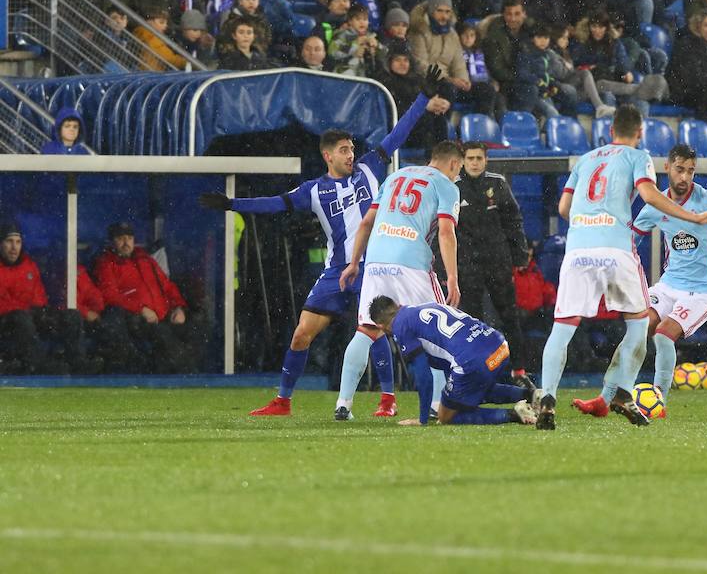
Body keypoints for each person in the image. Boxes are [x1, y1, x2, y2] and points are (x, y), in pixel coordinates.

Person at [199, 66, 445, 418]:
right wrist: (231, 204)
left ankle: (387, 400)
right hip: (337, 270)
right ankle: (282, 401)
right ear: (328, 155)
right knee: (302, 333)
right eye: (344, 150)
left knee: (374, 330)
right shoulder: (313, 190)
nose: (350, 154)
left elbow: (400, 132)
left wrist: (422, 98)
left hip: (374, 266)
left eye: (351, 148)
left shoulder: (371, 167)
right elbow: (275, 204)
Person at [536, 105, 707, 430]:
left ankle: (548, 401)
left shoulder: (585, 159)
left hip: (578, 249)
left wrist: (588, 223)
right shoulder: (639, 156)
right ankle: (623, 394)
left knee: (562, 328)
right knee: (638, 323)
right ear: (639, 133)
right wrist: (692, 217)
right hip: (617, 250)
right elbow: (649, 194)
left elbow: (564, 207)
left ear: (610, 131)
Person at [573, 144, 707, 418]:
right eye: (680, 169)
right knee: (637, 329)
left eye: (690, 171)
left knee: (664, 335)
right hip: (669, 285)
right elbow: (632, 239)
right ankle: (604, 401)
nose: (685, 177)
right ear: (667, 168)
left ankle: (658, 403)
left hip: (703, 291)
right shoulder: (656, 205)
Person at [336, 140, 463, 421]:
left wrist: (354, 262)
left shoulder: (395, 176)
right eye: (459, 169)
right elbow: (445, 232)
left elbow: (366, 223)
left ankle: (343, 404)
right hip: (412, 263)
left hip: (377, 260)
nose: (457, 174)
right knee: (437, 332)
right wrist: (452, 277)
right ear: (454, 163)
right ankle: (435, 407)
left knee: (366, 330)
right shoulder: (447, 185)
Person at [369, 296, 540, 426]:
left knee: (446, 416)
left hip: (473, 359)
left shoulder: (400, 327)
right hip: (499, 346)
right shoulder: (422, 306)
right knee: (473, 390)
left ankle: (514, 414)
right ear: (398, 305)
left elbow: (424, 377)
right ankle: (531, 395)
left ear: (381, 326)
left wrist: (422, 419)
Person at [453, 142, 531, 380]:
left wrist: (519, 255)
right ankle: (475, 370)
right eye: (470, 158)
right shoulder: (453, 187)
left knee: (509, 316)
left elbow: (513, 221)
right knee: (472, 320)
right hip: (467, 265)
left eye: (479, 158)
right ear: (463, 161)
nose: (475, 162)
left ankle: (519, 370)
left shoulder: (497, 183)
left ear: (486, 160)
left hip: (498, 261)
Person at [93, 222, 202, 374]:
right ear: (112, 241)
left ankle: (195, 374)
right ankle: (186, 377)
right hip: (136, 319)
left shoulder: (145, 259)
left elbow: (167, 286)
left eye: (130, 238)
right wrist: (140, 309)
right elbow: (109, 295)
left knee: (197, 328)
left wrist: (178, 307)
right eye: (121, 238)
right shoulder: (106, 263)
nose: (126, 243)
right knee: (163, 335)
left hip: (164, 314)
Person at [0, 220, 92, 374]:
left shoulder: (28, 265)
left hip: (30, 314)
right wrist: (26, 311)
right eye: (9, 242)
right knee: (21, 318)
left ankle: (78, 362)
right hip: (8, 320)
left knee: (71, 315)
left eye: (18, 242)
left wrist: (42, 312)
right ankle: (38, 364)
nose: (14, 247)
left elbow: (39, 295)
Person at [516, 24, 578, 117]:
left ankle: (570, 122)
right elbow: (522, 74)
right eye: (539, 37)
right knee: (552, 113)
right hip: (532, 92)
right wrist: (538, 81)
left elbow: (548, 75)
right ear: (533, 38)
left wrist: (554, 85)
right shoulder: (526, 53)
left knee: (570, 91)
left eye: (546, 37)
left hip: (545, 92)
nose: (543, 41)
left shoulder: (546, 54)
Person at [328, 3, 381, 76]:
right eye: (358, 19)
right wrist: (355, 45)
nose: (362, 22)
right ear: (350, 21)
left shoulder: (370, 36)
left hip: (365, 79)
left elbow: (385, 55)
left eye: (365, 19)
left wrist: (377, 47)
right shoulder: (342, 35)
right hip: (344, 76)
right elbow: (332, 52)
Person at [134, 7, 188, 71]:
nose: (165, 25)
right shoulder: (150, 37)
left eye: (166, 23)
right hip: (152, 75)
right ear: (149, 22)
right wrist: (188, 62)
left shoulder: (143, 33)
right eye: (161, 22)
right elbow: (169, 58)